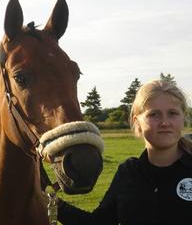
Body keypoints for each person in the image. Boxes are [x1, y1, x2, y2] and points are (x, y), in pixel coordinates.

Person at [57, 80, 192, 225]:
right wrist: (52, 204)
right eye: (154, 114)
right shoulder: (128, 173)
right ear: (137, 122)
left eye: (172, 113)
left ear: (183, 118)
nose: (165, 122)